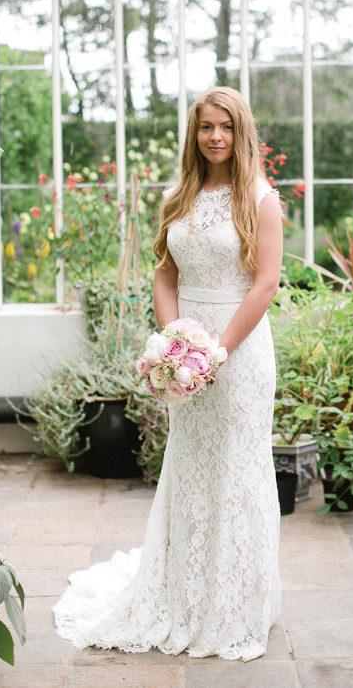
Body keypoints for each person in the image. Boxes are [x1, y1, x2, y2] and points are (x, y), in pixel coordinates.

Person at [53, 86, 283, 662]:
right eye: (206, 127)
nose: (215, 138)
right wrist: (176, 341)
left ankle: (235, 606)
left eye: (225, 127)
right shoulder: (176, 195)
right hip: (187, 354)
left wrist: (218, 352)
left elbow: (265, 286)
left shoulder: (259, 198)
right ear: (194, 132)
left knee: (237, 474)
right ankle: (183, 594)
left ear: (241, 131)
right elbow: (164, 273)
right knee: (190, 470)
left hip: (240, 351)